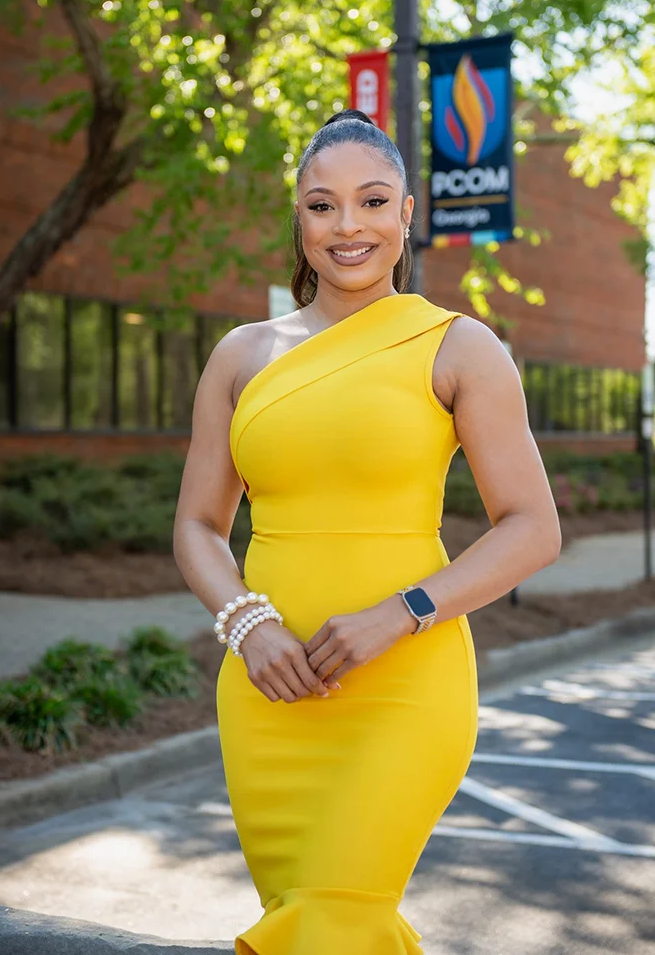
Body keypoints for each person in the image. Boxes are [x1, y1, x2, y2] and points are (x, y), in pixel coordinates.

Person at [173, 108, 561, 954]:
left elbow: (533, 528)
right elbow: (198, 527)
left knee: (334, 915)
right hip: (269, 693)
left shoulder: (459, 347)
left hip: (405, 686)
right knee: (313, 920)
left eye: (373, 201)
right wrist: (247, 624)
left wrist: (402, 612)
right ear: (299, 218)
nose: (348, 226)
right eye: (323, 206)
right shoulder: (241, 354)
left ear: (407, 213)